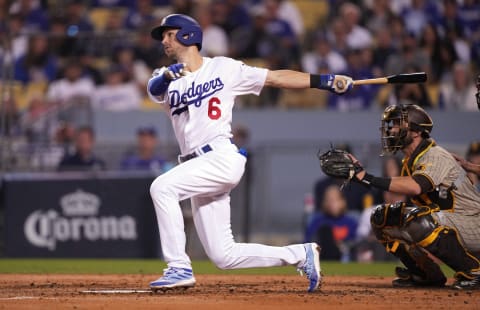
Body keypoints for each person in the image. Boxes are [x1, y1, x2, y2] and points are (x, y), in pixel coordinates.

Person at [146, 14, 353, 293]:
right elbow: (154, 89)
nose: (164, 40)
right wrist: (168, 75)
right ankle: (299, 254)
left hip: (219, 157)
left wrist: (325, 80)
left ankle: (178, 267)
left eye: (168, 34)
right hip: (196, 166)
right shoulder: (164, 77)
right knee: (224, 255)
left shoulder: (223, 68)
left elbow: (276, 78)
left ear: (187, 35)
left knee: (162, 187)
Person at [347, 104, 480, 289]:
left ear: (416, 132)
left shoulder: (434, 154)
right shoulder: (411, 161)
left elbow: (417, 186)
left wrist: (367, 178)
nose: (392, 130)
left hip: (474, 222)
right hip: (454, 222)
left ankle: (473, 271)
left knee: (419, 221)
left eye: (397, 124)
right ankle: (425, 273)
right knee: (383, 218)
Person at [304, 184, 358, 262]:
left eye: (335, 200)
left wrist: (341, 244)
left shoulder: (351, 222)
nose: (331, 204)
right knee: (325, 230)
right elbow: (308, 241)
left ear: (343, 202)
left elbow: (355, 241)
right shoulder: (317, 221)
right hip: (321, 256)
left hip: (344, 257)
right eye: (328, 200)